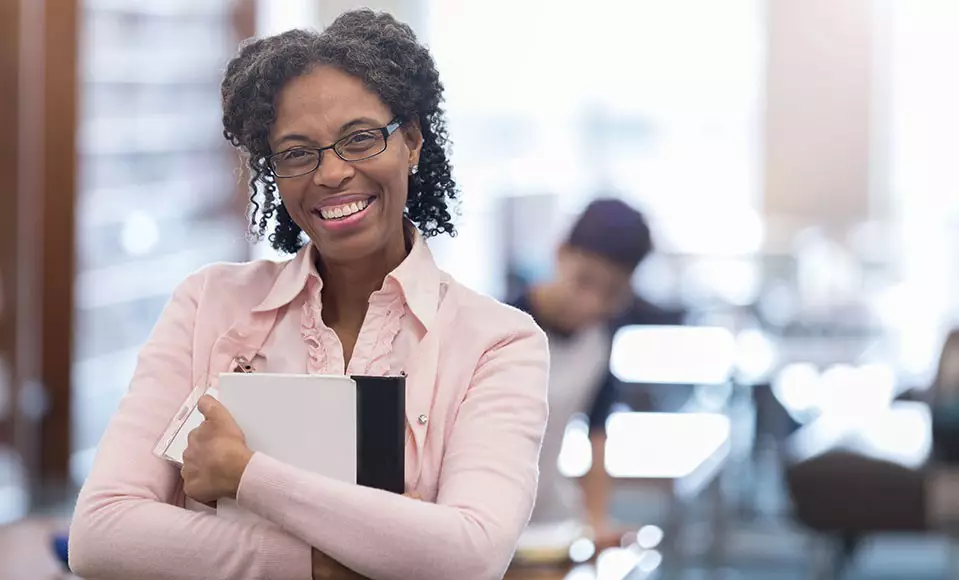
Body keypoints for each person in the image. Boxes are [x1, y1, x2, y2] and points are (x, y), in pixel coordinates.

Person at [68, 10, 549, 580]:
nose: (332, 173)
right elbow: (101, 535)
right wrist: (320, 564)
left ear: (413, 141)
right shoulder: (209, 305)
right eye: (297, 153)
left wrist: (245, 474)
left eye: (361, 139)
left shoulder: (499, 343)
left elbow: (467, 557)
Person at [510, 198, 653, 548]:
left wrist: (597, 519)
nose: (592, 303)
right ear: (560, 253)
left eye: (612, 292)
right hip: (492, 522)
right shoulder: (502, 324)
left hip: (553, 522)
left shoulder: (601, 337)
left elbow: (598, 431)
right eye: (584, 281)